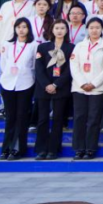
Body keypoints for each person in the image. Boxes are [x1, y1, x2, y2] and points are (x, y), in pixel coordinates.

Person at [70, 18, 103, 160]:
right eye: (91, 27)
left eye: (97, 27)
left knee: (94, 119)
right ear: (87, 29)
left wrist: (93, 84)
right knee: (79, 118)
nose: (94, 30)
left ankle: (90, 149)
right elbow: (74, 66)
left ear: (102, 29)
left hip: (98, 88)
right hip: (79, 88)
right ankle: (79, 148)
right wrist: (82, 83)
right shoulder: (79, 46)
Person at [33, 19, 74, 160]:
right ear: (52, 30)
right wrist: (47, 85)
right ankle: (41, 150)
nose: (59, 31)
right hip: (43, 88)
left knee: (58, 120)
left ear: (67, 30)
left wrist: (56, 85)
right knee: (42, 119)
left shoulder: (71, 48)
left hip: (61, 88)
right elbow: (38, 69)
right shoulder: (43, 47)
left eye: (62, 28)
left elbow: (69, 70)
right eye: (57, 28)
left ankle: (53, 150)